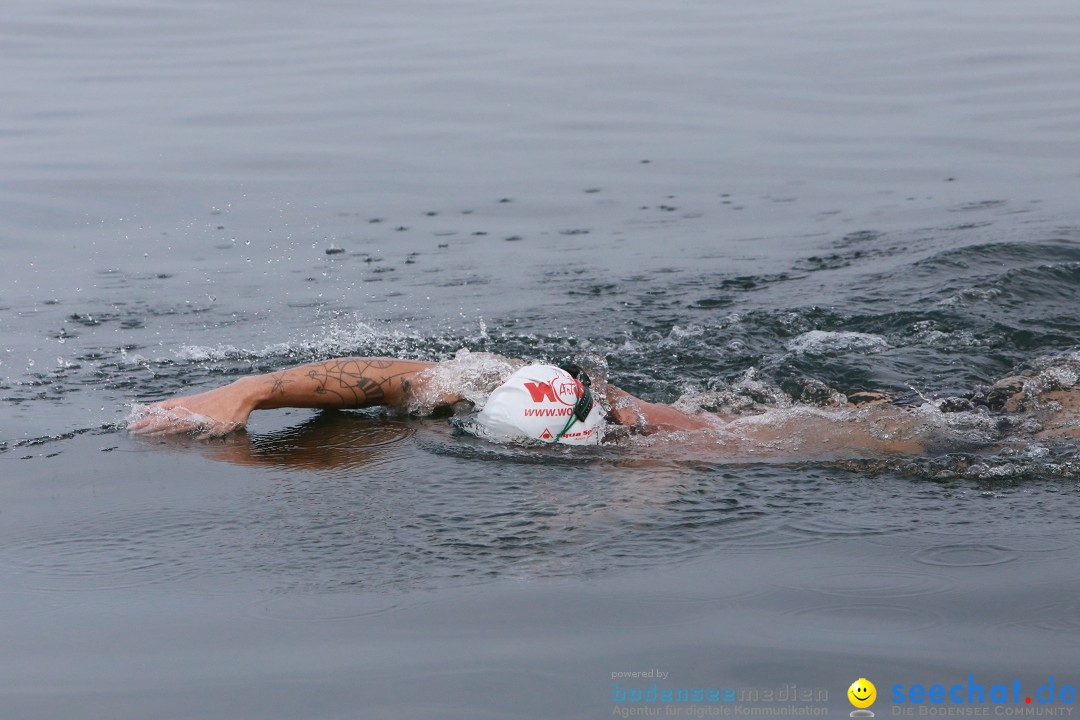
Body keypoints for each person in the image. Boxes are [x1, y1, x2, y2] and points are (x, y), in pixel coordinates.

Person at [127, 352, 1080, 457]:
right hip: (885, 401)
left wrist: (566, 547)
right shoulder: (510, 384)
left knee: (1043, 416)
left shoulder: (683, 450)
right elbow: (409, 374)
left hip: (929, 440)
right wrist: (246, 390)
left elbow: (650, 494)